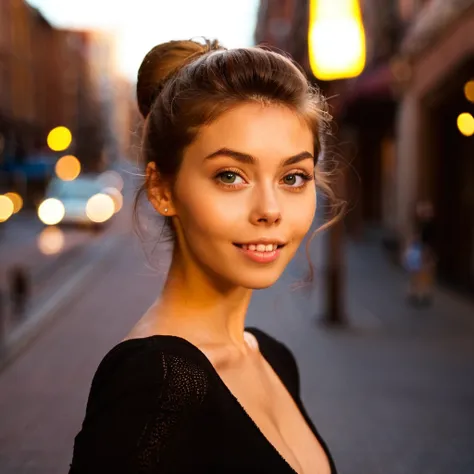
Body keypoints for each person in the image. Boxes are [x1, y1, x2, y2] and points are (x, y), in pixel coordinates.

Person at [69, 38, 339, 474]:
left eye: (293, 177)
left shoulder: (272, 356)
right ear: (161, 189)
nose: (270, 210)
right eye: (230, 175)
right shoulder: (157, 381)